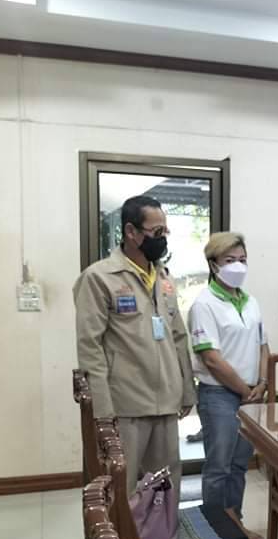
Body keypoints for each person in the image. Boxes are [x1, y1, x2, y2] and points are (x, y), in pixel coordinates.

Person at [74, 195, 197, 497]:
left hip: (166, 399)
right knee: (121, 483)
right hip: (125, 403)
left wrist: (186, 389)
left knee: (165, 484)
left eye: (165, 231)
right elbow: (90, 346)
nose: (163, 238)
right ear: (131, 231)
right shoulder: (99, 278)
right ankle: (120, 530)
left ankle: (164, 527)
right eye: (157, 232)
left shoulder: (164, 277)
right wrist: (102, 409)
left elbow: (178, 336)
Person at [188, 232, 267, 538]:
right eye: (230, 260)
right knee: (218, 466)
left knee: (238, 465)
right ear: (213, 265)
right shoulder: (204, 305)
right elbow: (212, 359)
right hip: (219, 395)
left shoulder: (251, 301)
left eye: (242, 260)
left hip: (251, 394)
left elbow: (263, 346)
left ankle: (235, 525)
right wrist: (245, 392)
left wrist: (262, 383)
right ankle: (214, 532)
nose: (238, 266)